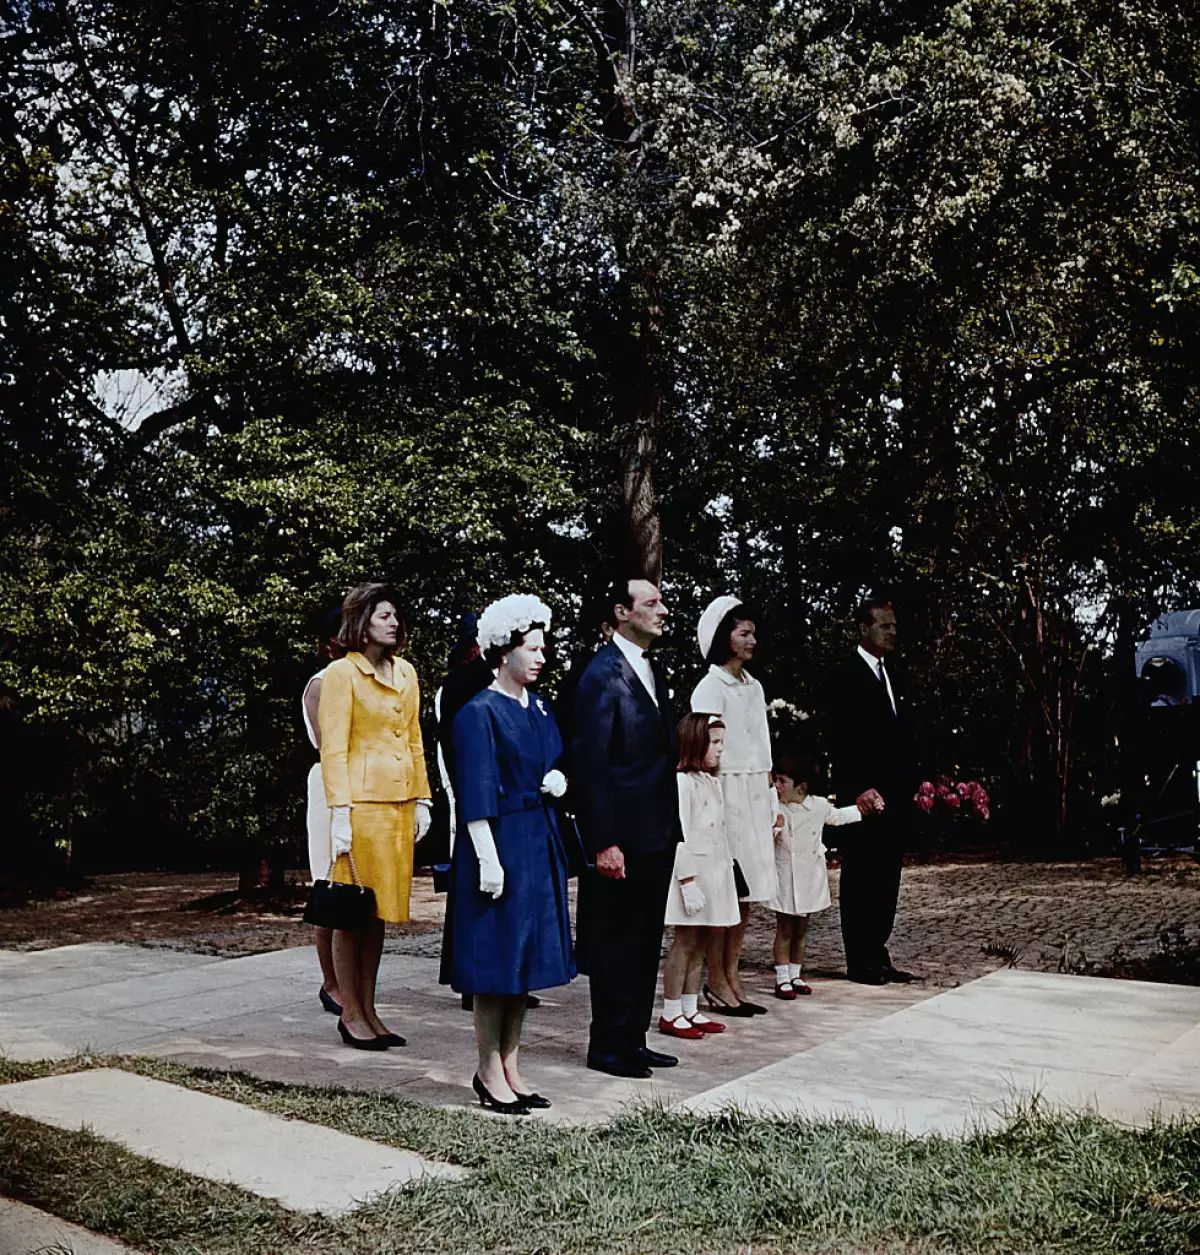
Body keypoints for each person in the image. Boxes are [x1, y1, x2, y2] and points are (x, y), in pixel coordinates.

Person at [440, 595, 575, 1114]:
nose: (541, 657)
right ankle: (487, 1069)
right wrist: (488, 859)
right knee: (494, 964)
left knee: (524, 963)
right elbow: (474, 791)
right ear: (503, 652)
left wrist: (561, 776)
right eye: (532, 648)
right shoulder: (478, 713)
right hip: (496, 844)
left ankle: (513, 1067)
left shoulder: (537, 706)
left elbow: (557, 756)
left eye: (543, 648)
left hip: (536, 839)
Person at [320, 582, 433, 1048]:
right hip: (361, 805)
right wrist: (339, 811)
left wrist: (423, 798)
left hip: (399, 804)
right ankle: (350, 1012)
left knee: (379, 912)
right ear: (361, 621)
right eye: (383, 614)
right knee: (353, 912)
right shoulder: (341, 674)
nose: (393, 621)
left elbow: (414, 739)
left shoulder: (406, 673)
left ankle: (370, 1007)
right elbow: (334, 747)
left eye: (395, 615)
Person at [690, 595, 780, 1017]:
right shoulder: (710, 686)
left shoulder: (754, 686)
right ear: (724, 637)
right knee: (724, 891)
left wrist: (773, 800)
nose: (751, 641)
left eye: (753, 634)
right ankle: (714, 979)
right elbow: (703, 748)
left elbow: (763, 749)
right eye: (743, 633)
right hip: (724, 796)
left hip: (754, 795)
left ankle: (732, 973)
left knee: (745, 895)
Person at [824, 598, 920, 985]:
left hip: (895, 795)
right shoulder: (844, 676)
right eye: (884, 625)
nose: (892, 631)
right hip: (861, 796)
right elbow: (840, 738)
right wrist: (856, 788)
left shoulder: (895, 674)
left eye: (894, 625)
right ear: (863, 628)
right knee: (862, 875)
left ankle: (878, 952)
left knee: (887, 877)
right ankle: (859, 958)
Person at [768, 754, 883, 998]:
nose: (776, 787)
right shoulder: (775, 807)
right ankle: (781, 978)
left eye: (781, 781)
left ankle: (795, 973)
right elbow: (764, 832)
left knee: (801, 929)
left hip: (808, 875)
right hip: (786, 875)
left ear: (801, 787)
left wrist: (866, 809)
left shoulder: (818, 806)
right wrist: (774, 829)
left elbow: (838, 816)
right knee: (785, 929)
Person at [659, 714, 740, 1039]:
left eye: (722, 743)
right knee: (685, 942)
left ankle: (690, 1007)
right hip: (691, 876)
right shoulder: (682, 783)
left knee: (703, 941)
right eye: (714, 742)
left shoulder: (712, 781)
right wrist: (687, 880)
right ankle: (671, 1010)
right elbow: (679, 835)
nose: (720, 750)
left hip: (715, 873)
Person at [301, 609, 345, 1016]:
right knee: (328, 883)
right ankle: (330, 982)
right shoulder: (321, 684)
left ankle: (349, 980)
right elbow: (329, 743)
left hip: (358, 786)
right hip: (330, 786)